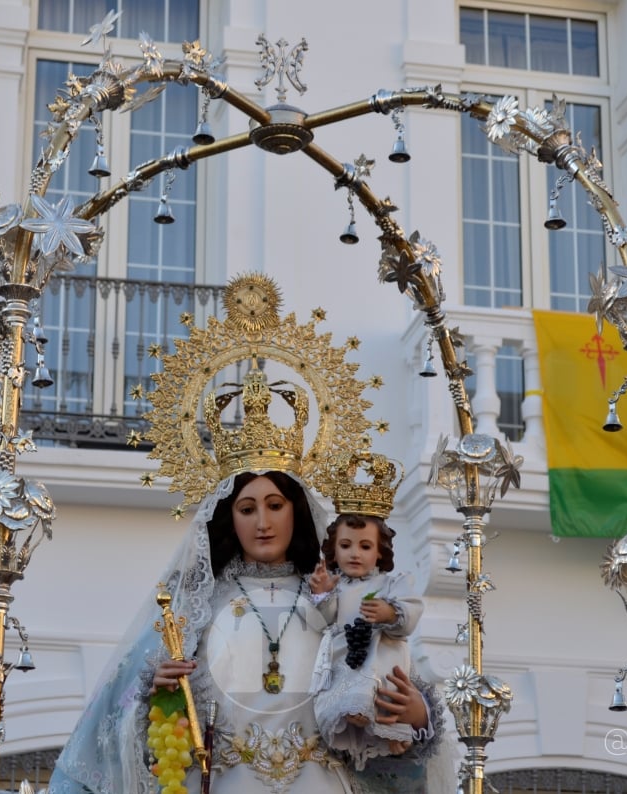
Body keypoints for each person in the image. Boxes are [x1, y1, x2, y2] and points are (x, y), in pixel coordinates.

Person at [46, 274, 451, 794]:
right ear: (226, 517)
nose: (262, 521)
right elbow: (118, 729)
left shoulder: (344, 597)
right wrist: (161, 693)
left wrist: (417, 717)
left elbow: (394, 705)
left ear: (297, 511)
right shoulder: (194, 608)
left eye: (276, 505)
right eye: (246, 507)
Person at [308, 508, 424, 769]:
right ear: (333, 551)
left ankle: (394, 735)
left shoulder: (391, 584)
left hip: (380, 650)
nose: (355, 553)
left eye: (365, 546)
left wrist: (390, 612)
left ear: (380, 552)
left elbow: (411, 613)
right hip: (345, 652)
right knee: (343, 693)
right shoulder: (336, 585)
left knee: (385, 692)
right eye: (346, 545)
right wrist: (321, 595)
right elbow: (322, 620)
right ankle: (354, 724)